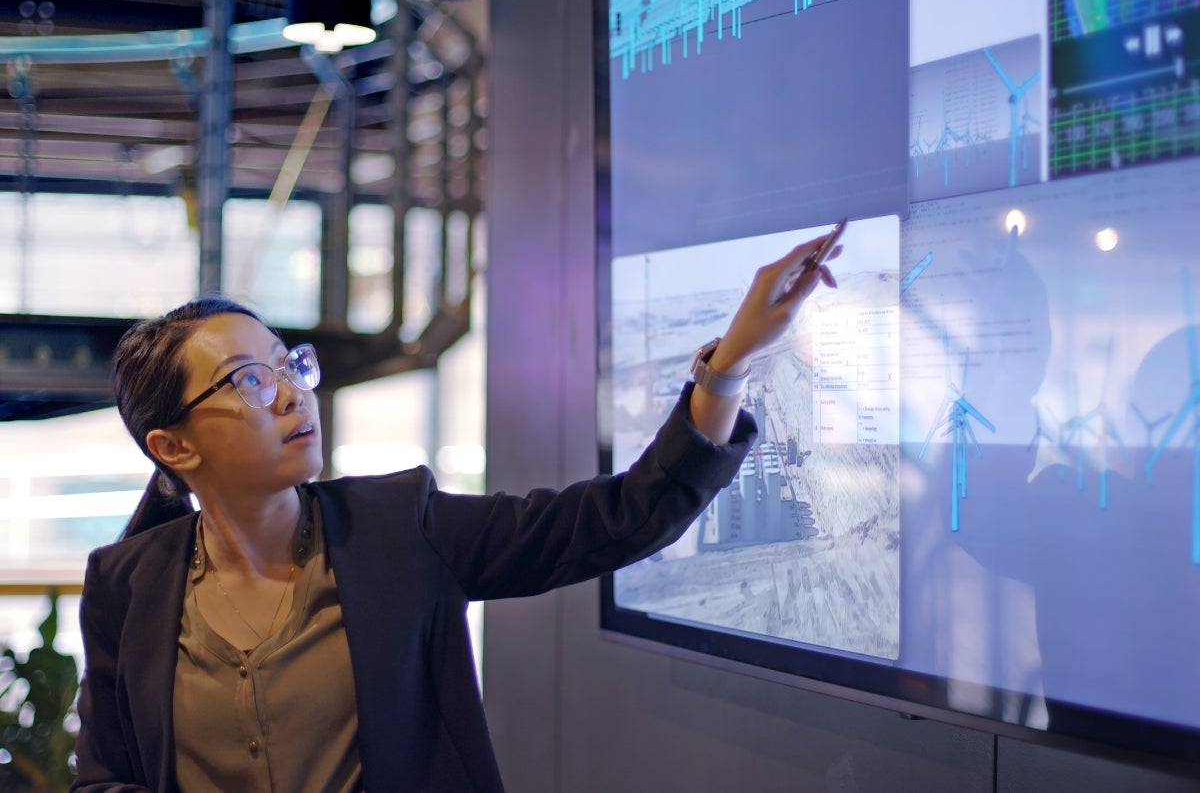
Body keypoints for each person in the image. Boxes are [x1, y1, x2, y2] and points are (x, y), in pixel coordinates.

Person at [70, 233, 841, 793]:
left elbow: (624, 515)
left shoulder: (399, 529)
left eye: (288, 364)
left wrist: (729, 364)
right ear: (173, 446)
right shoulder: (126, 585)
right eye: (249, 380)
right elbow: (104, 778)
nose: (292, 393)